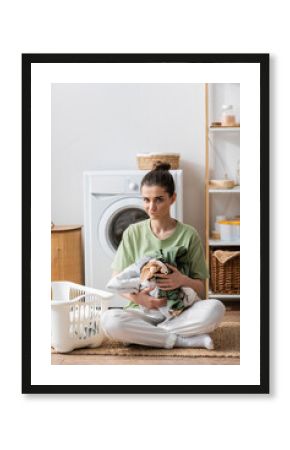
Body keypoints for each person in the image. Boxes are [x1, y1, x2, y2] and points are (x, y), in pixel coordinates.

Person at [101, 163, 225, 349]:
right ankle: (181, 340)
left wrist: (182, 280)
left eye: (158, 199)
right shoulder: (132, 233)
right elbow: (115, 282)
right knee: (109, 321)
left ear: (172, 198)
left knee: (216, 308)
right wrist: (140, 299)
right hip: (142, 312)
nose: (151, 207)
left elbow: (201, 289)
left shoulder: (188, 235)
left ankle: (148, 335)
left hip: (179, 312)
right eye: (146, 200)